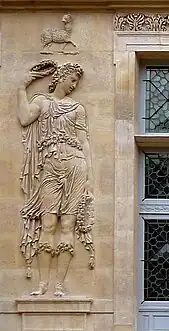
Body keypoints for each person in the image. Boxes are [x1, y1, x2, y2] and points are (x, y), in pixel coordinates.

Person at [18, 60, 95, 297]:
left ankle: (60, 285)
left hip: (75, 166)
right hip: (50, 166)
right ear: (61, 77)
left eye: (77, 82)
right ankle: (43, 284)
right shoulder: (41, 102)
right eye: (72, 80)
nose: (74, 85)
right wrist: (22, 87)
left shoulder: (77, 109)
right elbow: (23, 118)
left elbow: (84, 142)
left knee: (68, 225)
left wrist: (90, 177)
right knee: (48, 224)